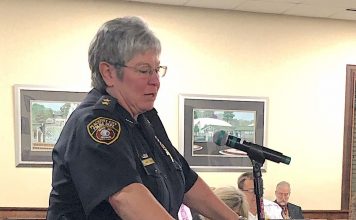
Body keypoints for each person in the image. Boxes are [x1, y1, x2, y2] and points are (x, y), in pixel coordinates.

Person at [46, 16, 239, 220]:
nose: (155, 81)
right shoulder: (96, 123)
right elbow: (127, 197)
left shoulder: (144, 119)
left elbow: (186, 180)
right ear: (108, 73)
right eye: (144, 70)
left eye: (157, 70)